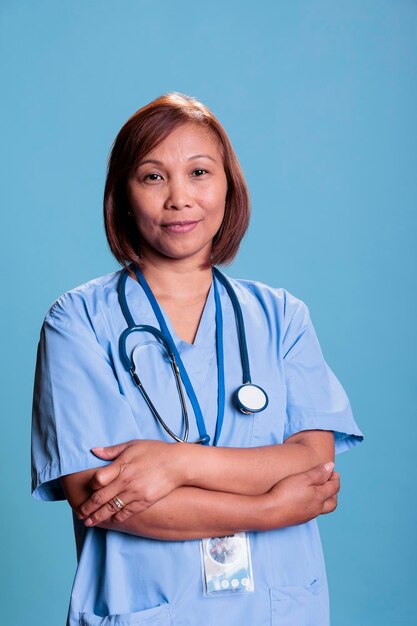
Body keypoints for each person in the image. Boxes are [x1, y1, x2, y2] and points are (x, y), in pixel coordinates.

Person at [31, 92, 364, 626]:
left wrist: (176, 463)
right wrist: (269, 508)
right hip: (148, 609)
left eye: (200, 172)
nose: (180, 198)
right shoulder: (78, 321)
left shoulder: (282, 317)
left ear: (229, 186)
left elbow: (314, 461)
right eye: (153, 176)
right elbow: (98, 494)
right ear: (121, 195)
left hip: (280, 609)